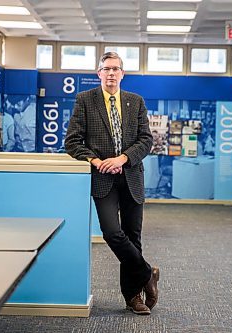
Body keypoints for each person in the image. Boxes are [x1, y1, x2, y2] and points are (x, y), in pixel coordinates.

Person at [65, 52, 159, 315]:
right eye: (106, 69)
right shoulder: (85, 100)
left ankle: (133, 298)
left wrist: (122, 158)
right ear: (99, 73)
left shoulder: (135, 101)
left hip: (131, 176)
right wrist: (96, 161)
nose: (111, 73)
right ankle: (146, 273)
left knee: (133, 237)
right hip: (102, 178)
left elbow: (145, 140)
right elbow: (72, 141)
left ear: (122, 74)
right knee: (111, 232)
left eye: (116, 69)